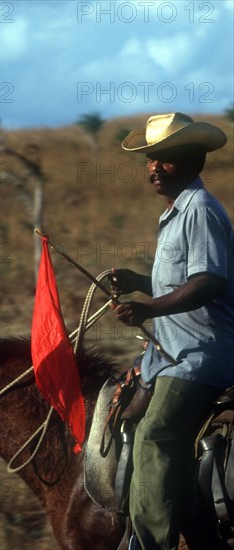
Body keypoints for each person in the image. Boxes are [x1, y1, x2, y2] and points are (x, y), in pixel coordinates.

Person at [110, 113, 234, 549]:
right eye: (150, 159)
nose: (154, 168)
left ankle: (148, 543)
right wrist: (141, 282)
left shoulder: (198, 210)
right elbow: (185, 280)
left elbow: (209, 282)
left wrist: (148, 307)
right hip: (172, 353)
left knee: (156, 434)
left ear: (193, 161)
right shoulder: (175, 213)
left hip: (198, 357)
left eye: (165, 159)